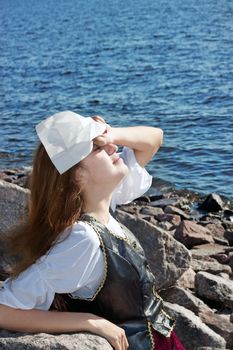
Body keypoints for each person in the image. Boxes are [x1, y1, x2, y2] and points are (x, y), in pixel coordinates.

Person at [0, 111, 185, 350]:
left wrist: (109, 134)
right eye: (98, 149)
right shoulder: (82, 237)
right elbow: (4, 309)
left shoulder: (107, 201)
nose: (113, 148)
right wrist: (88, 322)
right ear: (77, 175)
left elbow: (154, 138)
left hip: (160, 339)